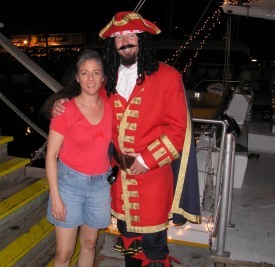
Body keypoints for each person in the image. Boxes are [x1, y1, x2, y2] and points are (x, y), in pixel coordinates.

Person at [51, 11, 201, 267]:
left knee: (153, 245)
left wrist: (147, 159)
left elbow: (178, 131)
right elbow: (81, 99)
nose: (125, 41)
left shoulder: (168, 77)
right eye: (119, 37)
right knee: (129, 242)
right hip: (119, 182)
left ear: (143, 40)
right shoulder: (106, 79)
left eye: (131, 35)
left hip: (153, 179)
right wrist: (59, 103)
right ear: (114, 44)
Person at [43, 49, 112, 267]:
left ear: (103, 77)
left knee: (90, 244)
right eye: (85, 73)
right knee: (64, 253)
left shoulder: (111, 108)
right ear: (77, 77)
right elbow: (51, 155)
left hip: (100, 185)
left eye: (95, 73)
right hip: (69, 184)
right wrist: (55, 197)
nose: (90, 78)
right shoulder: (66, 110)